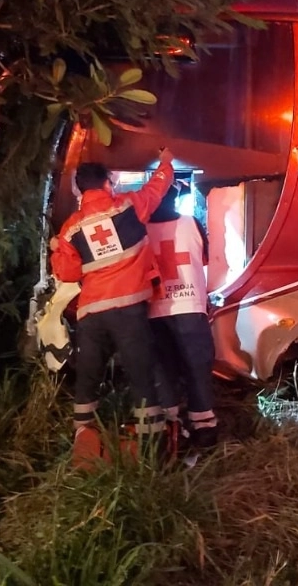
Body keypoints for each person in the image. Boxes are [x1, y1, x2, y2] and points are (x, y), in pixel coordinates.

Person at [49, 151, 174, 467]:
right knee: (142, 379)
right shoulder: (128, 206)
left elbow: (68, 274)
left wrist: (55, 250)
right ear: (108, 183)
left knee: (87, 380)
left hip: (91, 314)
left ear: (79, 190)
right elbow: (158, 187)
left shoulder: (71, 228)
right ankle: (152, 455)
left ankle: (82, 449)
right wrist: (166, 162)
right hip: (128, 310)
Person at [147, 180, 219, 449]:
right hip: (190, 306)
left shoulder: (139, 228)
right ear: (176, 198)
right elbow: (205, 259)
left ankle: (172, 428)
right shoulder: (192, 224)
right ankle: (204, 427)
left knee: (163, 368)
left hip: (154, 310)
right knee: (197, 366)